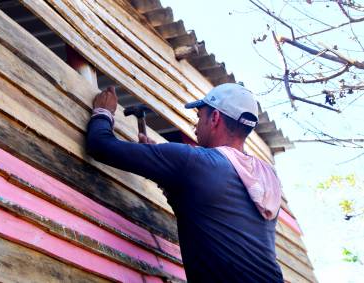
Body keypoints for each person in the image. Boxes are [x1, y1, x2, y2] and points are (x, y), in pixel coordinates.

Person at [86, 83, 284, 282]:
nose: (195, 127)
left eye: (199, 118)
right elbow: (215, 212)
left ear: (214, 118)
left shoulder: (194, 161)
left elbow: (100, 146)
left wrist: (104, 111)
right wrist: (169, 176)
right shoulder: (267, 176)